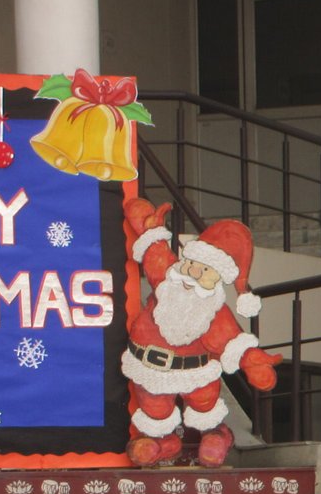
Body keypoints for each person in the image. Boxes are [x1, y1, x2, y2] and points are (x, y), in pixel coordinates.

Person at [119, 199, 282, 467]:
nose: (193, 272)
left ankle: (216, 436)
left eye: (205, 270)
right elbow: (154, 248)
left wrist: (252, 362)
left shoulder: (213, 312)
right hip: (150, 369)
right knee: (155, 411)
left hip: (196, 373)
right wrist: (147, 224)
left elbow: (231, 341)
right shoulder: (166, 278)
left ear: (217, 278)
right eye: (192, 263)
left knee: (204, 407)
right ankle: (162, 443)